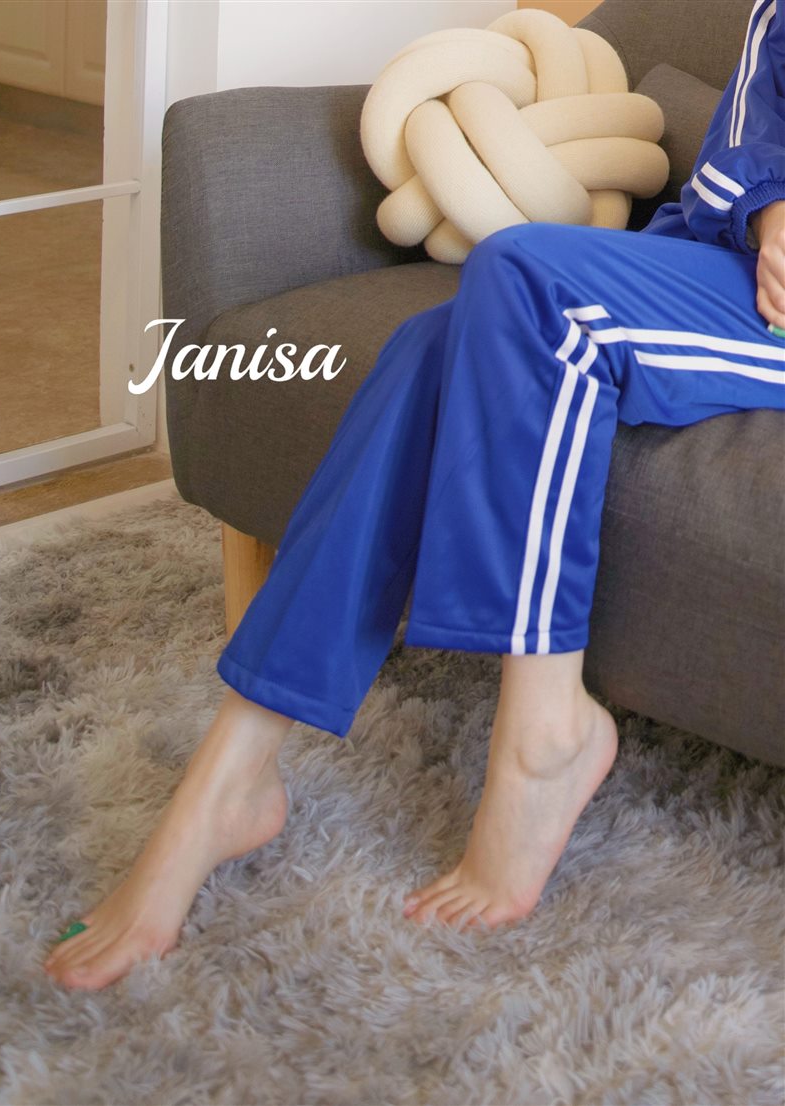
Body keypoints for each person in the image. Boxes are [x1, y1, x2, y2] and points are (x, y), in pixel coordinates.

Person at [43, 0, 784, 990]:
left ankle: (545, 734)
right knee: (435, 341)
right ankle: (233, 767)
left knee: (529, 280)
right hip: (719, 254)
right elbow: (759, 90)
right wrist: (771, 209)